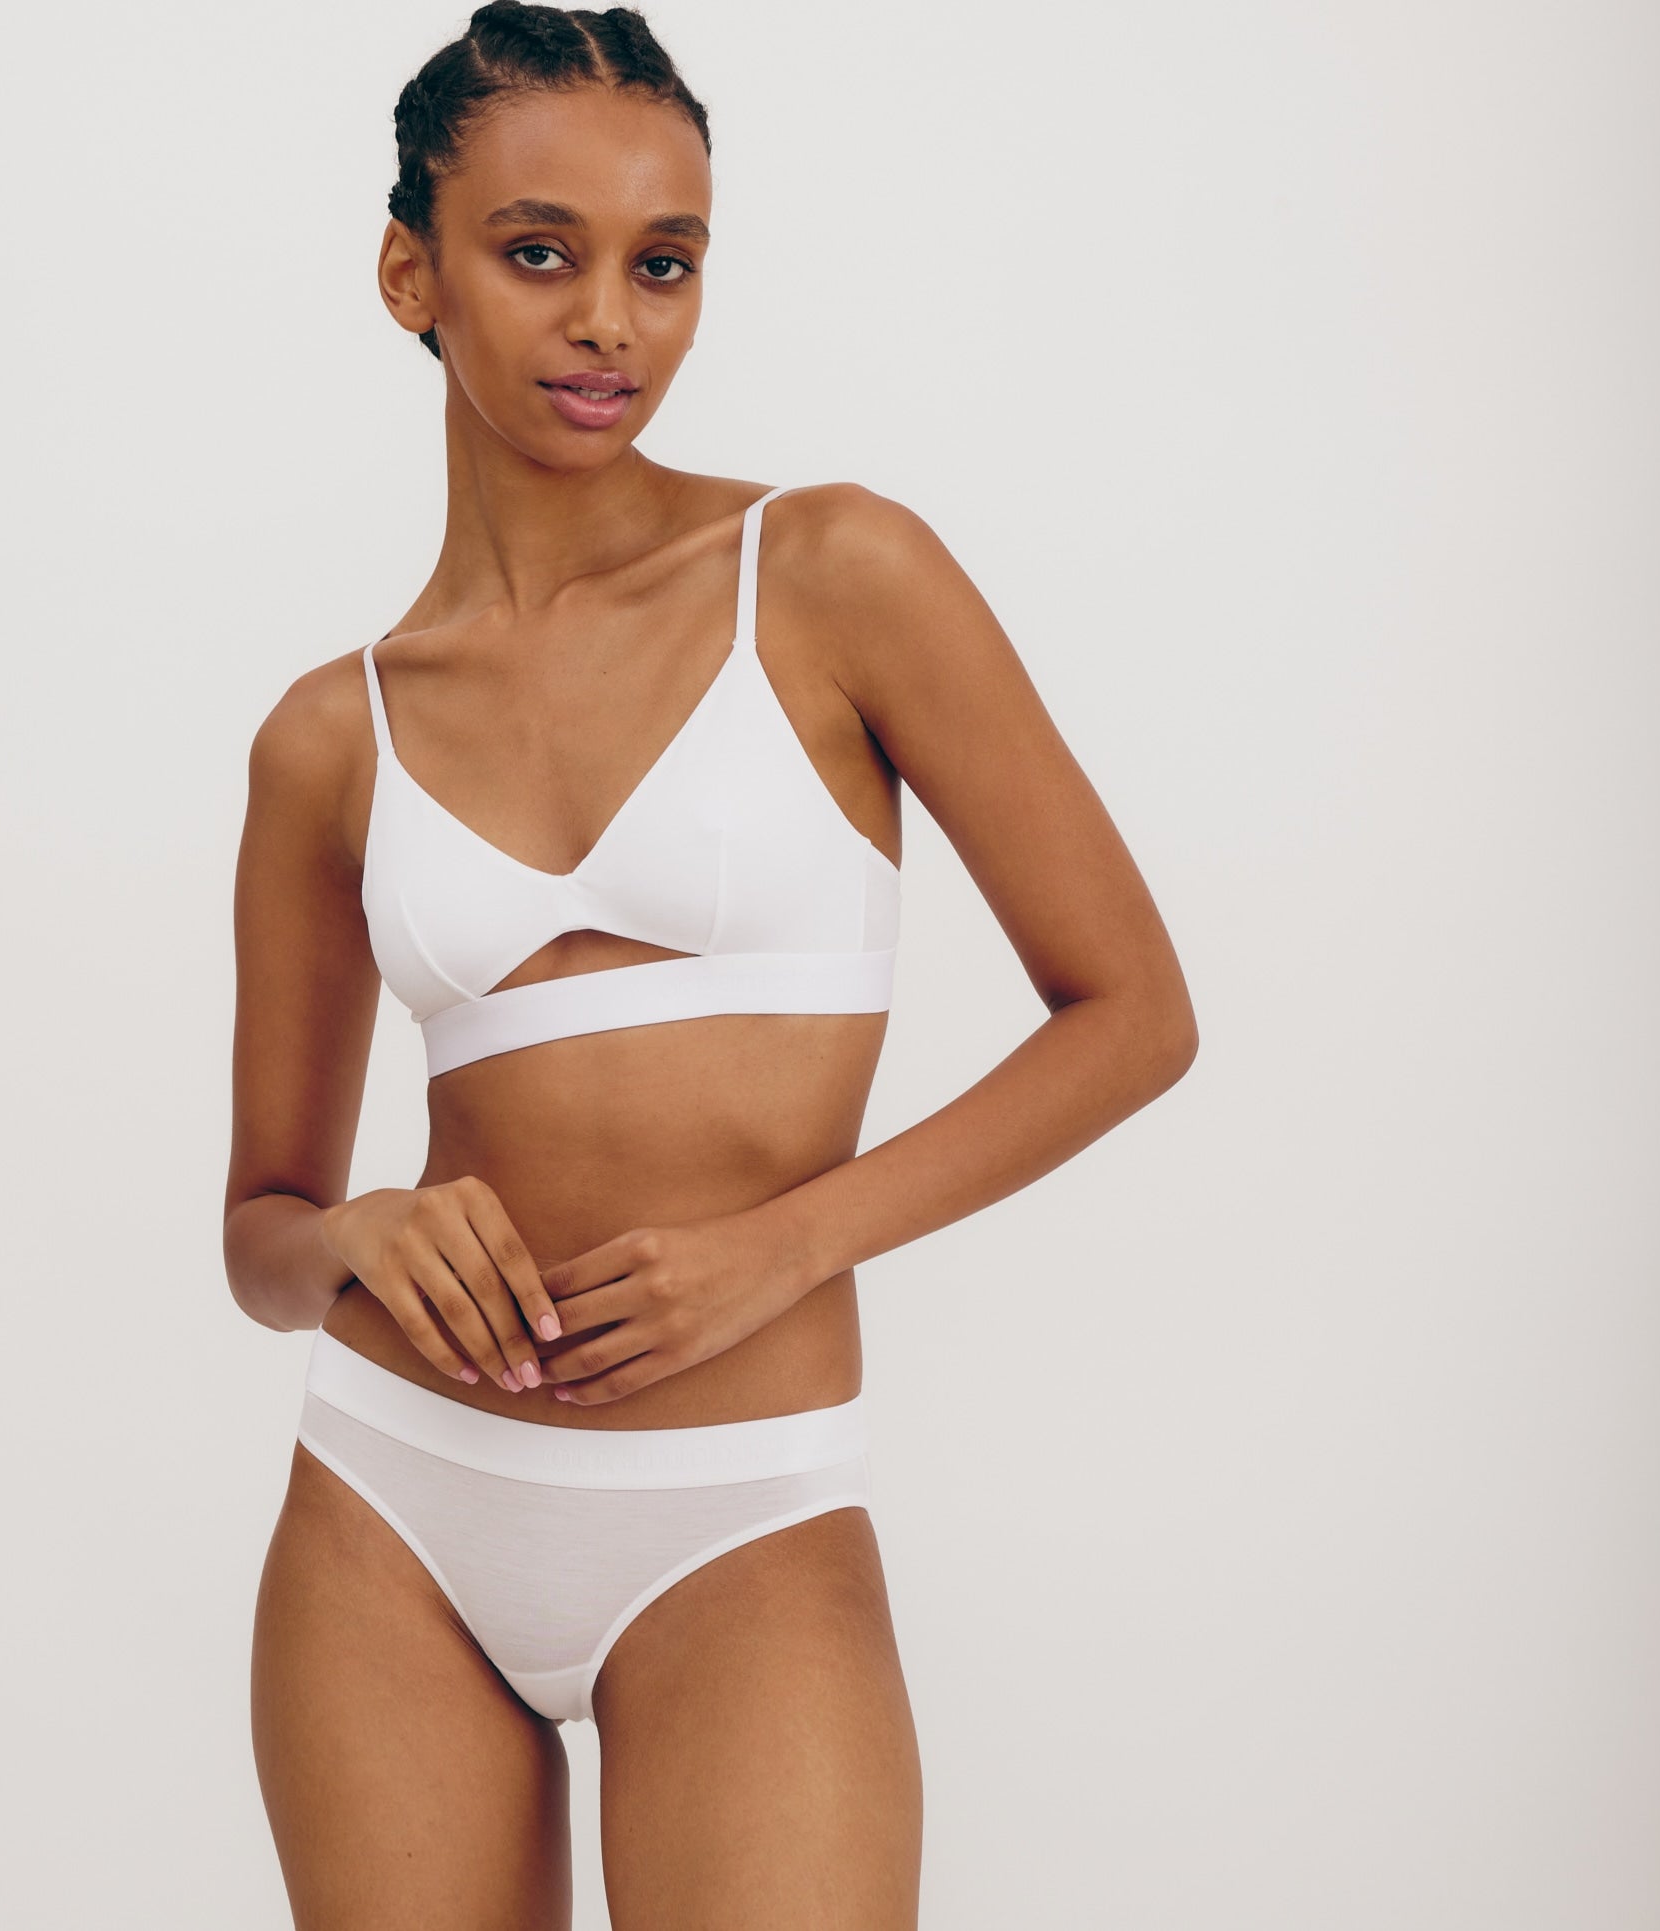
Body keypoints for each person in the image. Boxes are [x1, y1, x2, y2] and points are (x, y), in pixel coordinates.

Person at [222, 5, 1197, 1924]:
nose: (609, 321)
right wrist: (348, 1238)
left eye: (661, 265)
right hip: (393, 1503)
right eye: (539, 252)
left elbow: (1136, 1015)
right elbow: (260, 1236)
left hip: (740, 1509)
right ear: (411, 271)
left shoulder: (831, 575)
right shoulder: (332, 737)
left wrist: (784, 1247)